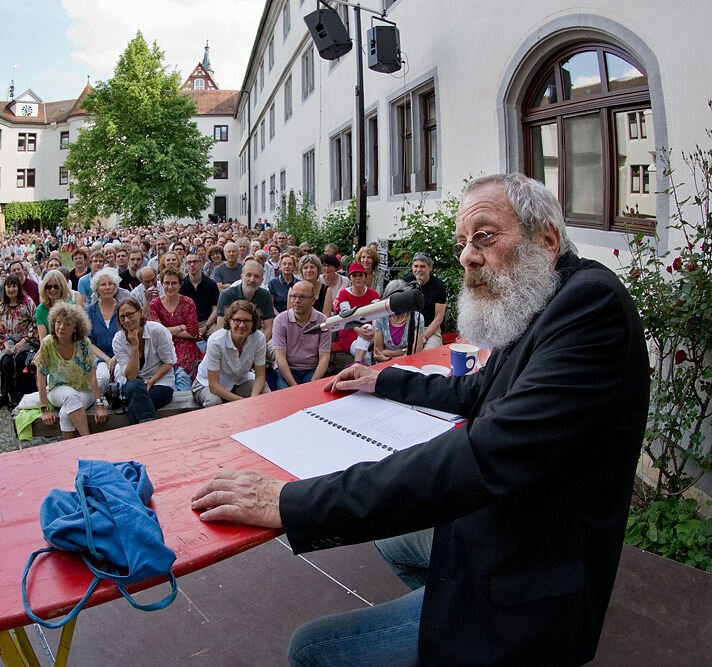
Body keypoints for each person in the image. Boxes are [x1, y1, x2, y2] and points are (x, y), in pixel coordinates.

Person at [191, 173, 649, 666]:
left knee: (311, 650)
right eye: (462, 244)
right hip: (503, 528)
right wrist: (383, 380)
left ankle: (467, 634)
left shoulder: (590, 308)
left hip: (531, 574)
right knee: (394, 541)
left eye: (485, 237)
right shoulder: (542, 297)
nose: (468, 256)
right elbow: (478, 389)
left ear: (547, 240)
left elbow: (485, 453)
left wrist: (292, 501)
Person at [35, 302, 107, 439]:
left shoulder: (83, 343)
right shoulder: (47, 343)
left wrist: (99, 404)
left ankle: (70, 452)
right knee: (70, 395)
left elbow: (92, 376)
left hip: (83, 389)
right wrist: (44, 409)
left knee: (65, 413)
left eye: (67, 324)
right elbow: (40, 376)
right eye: (58, 322)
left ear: (75, 328)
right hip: (57, 390)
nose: (61, 327)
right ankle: (88, 440)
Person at [112, 298, 176, 425]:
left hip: (160, 382)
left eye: (130, 314)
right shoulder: (118, 340)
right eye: (122, 317)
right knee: (136, 387)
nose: (127, 320)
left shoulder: (157, 331)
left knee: (133, 408)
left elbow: (169, 362)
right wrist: (134, 347)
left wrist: (152, 380)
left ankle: (143, 432)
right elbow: (131, 376)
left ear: (140, 312)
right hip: (134, 384)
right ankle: (150, 429)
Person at [192, 300, 268, 407]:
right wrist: (243, 402)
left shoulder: (259, 338)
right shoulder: (216, 341)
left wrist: (253, 399)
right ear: (229, 321)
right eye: (237, 320)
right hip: (207, 384)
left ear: (253, 322)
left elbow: (260, 376)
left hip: (238, 381)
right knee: (214, 402)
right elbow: (214, 385)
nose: (242, 325)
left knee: (265, 392)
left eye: (247, 321)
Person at [148, 268, 200, 391]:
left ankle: (184, 406)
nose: (170, 287)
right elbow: (156, 332)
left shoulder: (188, 303)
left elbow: (193, 333)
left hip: (185, 345)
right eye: (167, 283)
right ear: (161, 284)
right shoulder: (154, 304)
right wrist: (181, 327)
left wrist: (166, 330)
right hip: (163, 345)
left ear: (180, 284)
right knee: (166, 374)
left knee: (181, 374)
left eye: (174, 283)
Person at [272, 281, 331, 390]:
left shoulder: (323, 321)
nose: (296, 301)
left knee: (313, 398)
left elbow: (324, 357)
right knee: (285, 397)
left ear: (313, 300)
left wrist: (312, 384)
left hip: (311, 369)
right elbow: (280, 357)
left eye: (302, 297)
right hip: (287, 369)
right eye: (293, 296)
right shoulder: (280, 320)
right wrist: (294, 386)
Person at [0, 274, 38, 410]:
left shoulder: (27, 302)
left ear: (18, 287)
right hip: (10, 343)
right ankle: (4, 394)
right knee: (6, 363)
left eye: (14, 286)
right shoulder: (2, 307)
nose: (11, 289)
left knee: (20, 361)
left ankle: (22, 394)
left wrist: (23, 342)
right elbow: (0, 328)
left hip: (27, 342)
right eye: (8, 286)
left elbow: (35, 323)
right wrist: (7, 344)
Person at [216, 259, 275, 343]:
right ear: (241, 277)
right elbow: (221, 328)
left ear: (261, 280)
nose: (252, 279)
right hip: (232, 336)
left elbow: (268, 327)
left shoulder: (266, 295)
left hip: (257, 337)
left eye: (256, 276)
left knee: (275, 347)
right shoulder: (227, 295)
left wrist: (257, 346)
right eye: (248, 275)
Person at [334, 262, 382, 364]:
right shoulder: (344, 294)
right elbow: (346, 316)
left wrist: (374, 331)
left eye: (361, 275)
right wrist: (358, 330)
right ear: (350, 278)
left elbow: (376, 317)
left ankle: (356, 365)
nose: (357, 278)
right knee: (367, 357)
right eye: (354, 275)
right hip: (350, 332)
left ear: (365, 277)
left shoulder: (373, 294)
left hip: (370, 332)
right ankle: (359, 366)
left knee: (368, 327)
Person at [373, 279, 425, 363]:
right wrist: (403, 351)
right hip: (383, 365)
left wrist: (389, 358)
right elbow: (378, 352)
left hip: (408, 365)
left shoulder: (417, 318)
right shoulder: (381, 317)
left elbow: (415, 352)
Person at [409, 251, 447, 350]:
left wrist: (424, 337)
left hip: (430, 329)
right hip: (409, 329)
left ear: (430, 268)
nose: (418, 269)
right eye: (416, 266)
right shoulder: (406, 283)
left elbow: (439, 317)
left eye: (422, 266)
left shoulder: (438, 286)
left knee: (427, 353)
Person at [180, 253, 219, 342]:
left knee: (218, 339)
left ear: (201, 263)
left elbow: (215, 309)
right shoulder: (181, 285)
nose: (192, 265)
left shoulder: (211, 284)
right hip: (187, 324)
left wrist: (205, 327)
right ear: (185, 265)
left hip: (207, 323)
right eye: (189, 262)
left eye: (195, 262)